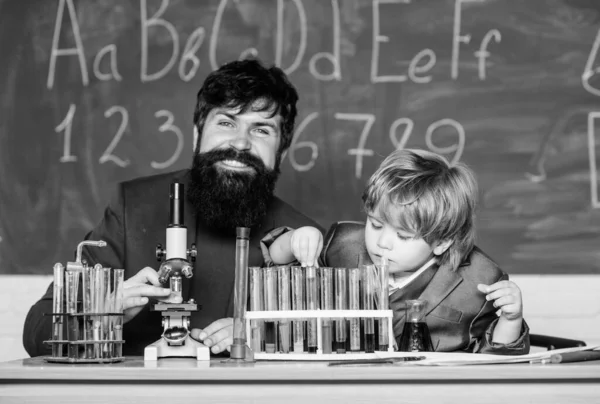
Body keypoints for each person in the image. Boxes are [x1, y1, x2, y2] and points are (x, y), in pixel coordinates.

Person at [23, 59, 323, 357]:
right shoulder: (133, 208)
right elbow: (37, 332)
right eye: (226, 122)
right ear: (197, 133)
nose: (240, 143)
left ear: (282, 148)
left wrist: (264, 332)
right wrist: (102, 314)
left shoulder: (301, 239)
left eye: (261, 130)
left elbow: (336, 338)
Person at [268, 148, 530, 354]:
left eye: (403, 236)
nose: (383, 242)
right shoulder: (343, 244)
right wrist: (295, 240)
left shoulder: (481, 278)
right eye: (376, 224)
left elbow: (496, 358)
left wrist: (511, 318)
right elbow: (276, 263)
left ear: (442, 242)